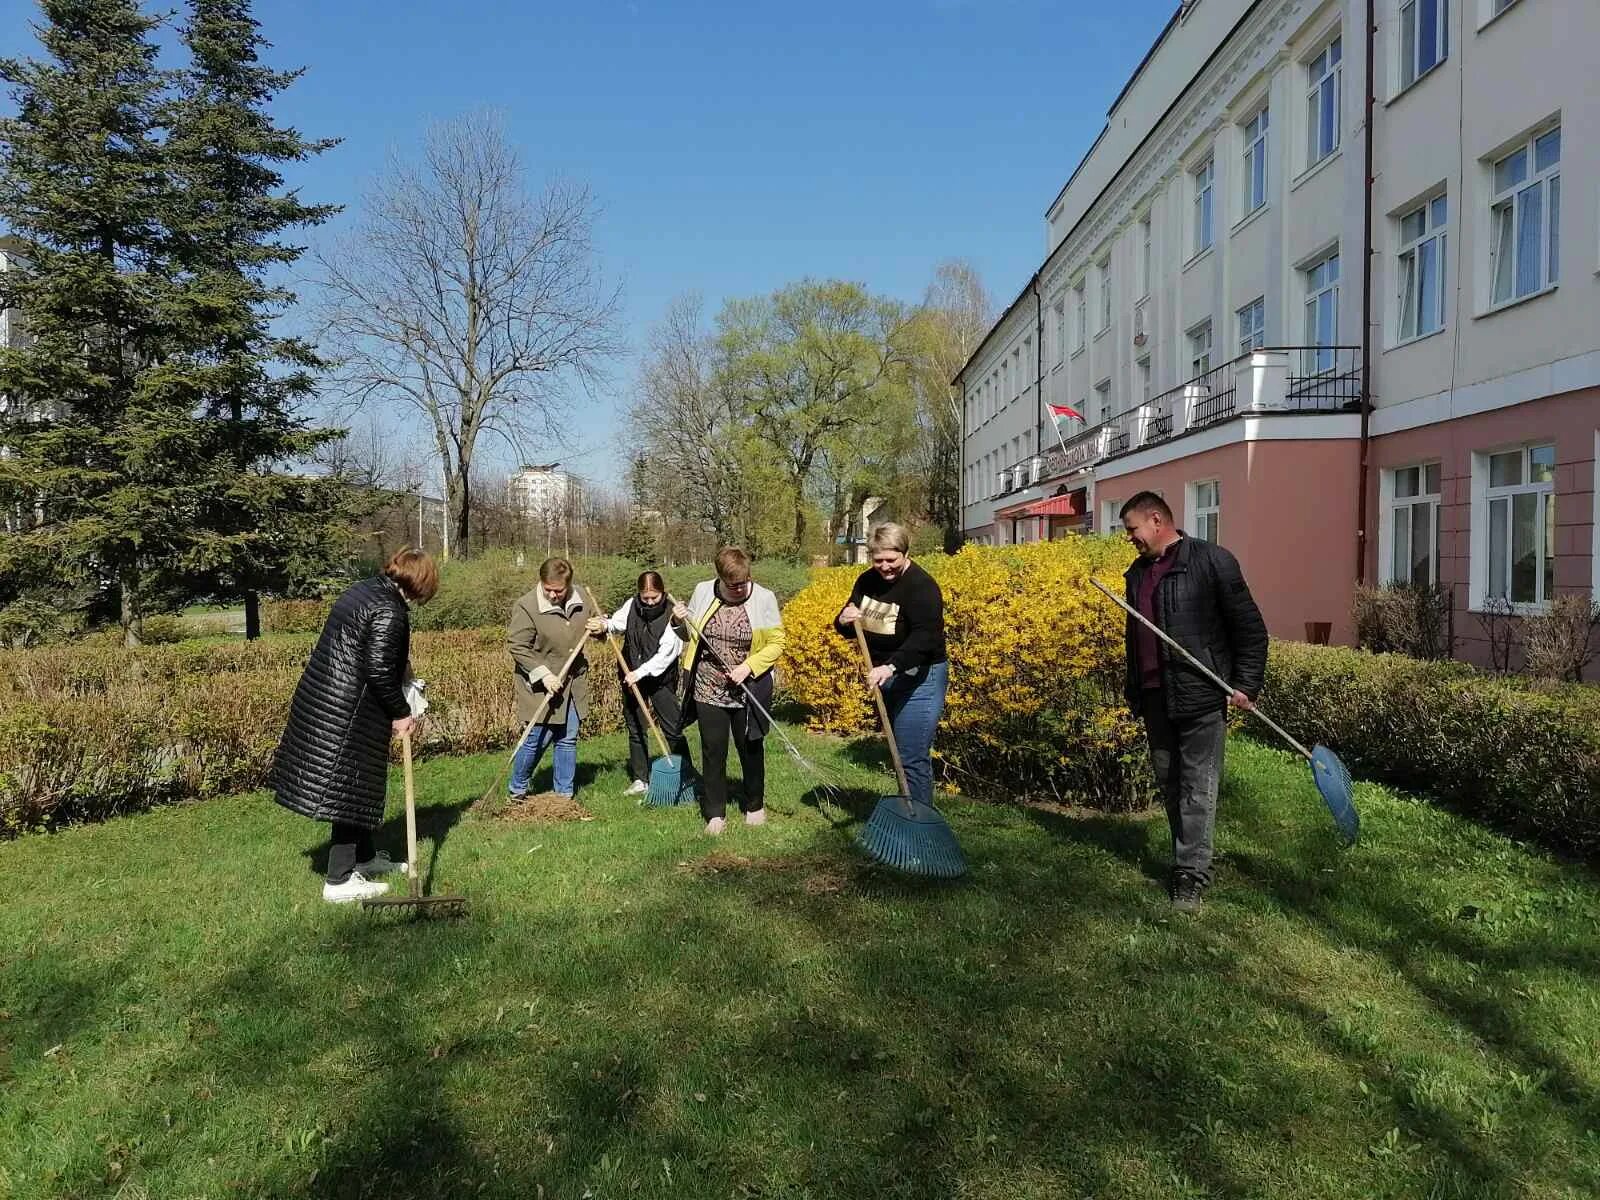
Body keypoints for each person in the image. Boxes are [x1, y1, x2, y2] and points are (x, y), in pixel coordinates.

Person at [1119, 491, 1267, 912]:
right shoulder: (1136, 574)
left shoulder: (1211, 561)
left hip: (1201, 695)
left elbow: (1250, 630)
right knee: (1170, 783)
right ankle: (1188, 857)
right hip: (1153, 696)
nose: (1129, 537)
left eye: (1132, 529)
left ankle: (1190, 874)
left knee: (1197, 787)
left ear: (1155, 520)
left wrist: (1246, 684)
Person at [273, 547, 439, 904]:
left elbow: (373, 649)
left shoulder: (364, 590)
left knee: (359, 785)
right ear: (421, 583)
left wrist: (402, 667)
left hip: (329, 700)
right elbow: (378, 669)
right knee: (348, 789)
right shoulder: (390, 609)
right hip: (347, 711)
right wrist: (401, 711)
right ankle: (339, 880)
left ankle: (364, 858)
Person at [833, 522, 947, 813]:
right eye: (878, 559)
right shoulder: (867, 581)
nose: (884, 567)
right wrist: (844, 619)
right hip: (886, 674)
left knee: (910, 754)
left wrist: (891, 666)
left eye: (891, 559)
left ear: (905, 553)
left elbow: (926, 637)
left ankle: (920, 825)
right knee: (901, 751)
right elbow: (849, 621)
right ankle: (910, 811)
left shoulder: (921, 587)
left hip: (920, 677)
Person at [673, 546, 786, 835]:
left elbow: (776, 643)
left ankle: (754, 805)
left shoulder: (764, 598)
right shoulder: (702, 591)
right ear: (719, 577)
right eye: (733, 584)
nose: (739, 588)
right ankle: (715, 813)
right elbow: (689, 635)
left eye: (744, 582)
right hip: (708, 685)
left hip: (749, 686)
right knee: (713, 750)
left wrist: (748, 667)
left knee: (750, 747)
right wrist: (678, 620)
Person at [507, 557, 606, 805]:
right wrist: (544, 674)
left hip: (574, 682)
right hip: (540, 685)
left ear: (569, 585)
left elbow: (599, 623)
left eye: (558, 590)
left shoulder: (582, 598)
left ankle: (563, 794)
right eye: (547, 589)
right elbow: (517, 646)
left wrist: (601, 626)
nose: (552, 595)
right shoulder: (527, 606)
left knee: (567, 737)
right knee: (535, 738)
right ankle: (517, 790)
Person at [603, 570, 694, 795]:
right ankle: (640, 778)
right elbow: (616, 624)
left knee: (672, 727)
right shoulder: (632, 605)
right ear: (639, 594)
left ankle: (686, 777)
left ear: (662, 593)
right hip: (630, 674)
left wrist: (640, 672)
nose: (651, 601)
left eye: (655, 597)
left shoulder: (672, 614)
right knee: (635, 728)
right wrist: (603, 624)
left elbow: (667, 654)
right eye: (646, 598)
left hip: (660, 678)